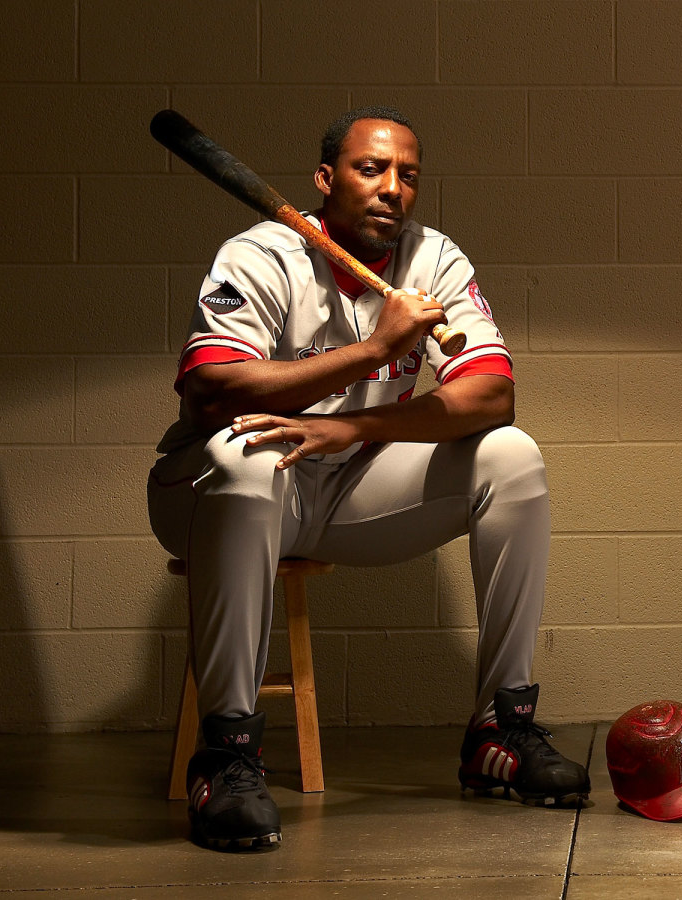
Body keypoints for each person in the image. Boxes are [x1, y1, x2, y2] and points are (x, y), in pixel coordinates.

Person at [147, 106, 589, 852]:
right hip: (216, 490)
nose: (392, 188)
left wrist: (352, 426)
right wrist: (369, 354)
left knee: (511, 455)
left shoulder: (433, 261)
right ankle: (225, 758)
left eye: (407, 175)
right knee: (243, 455)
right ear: (326, 179)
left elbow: (491, 395)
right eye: (370, 168)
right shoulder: (260, 254)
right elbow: (212, 392)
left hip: (349, 483)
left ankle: (501, 731)